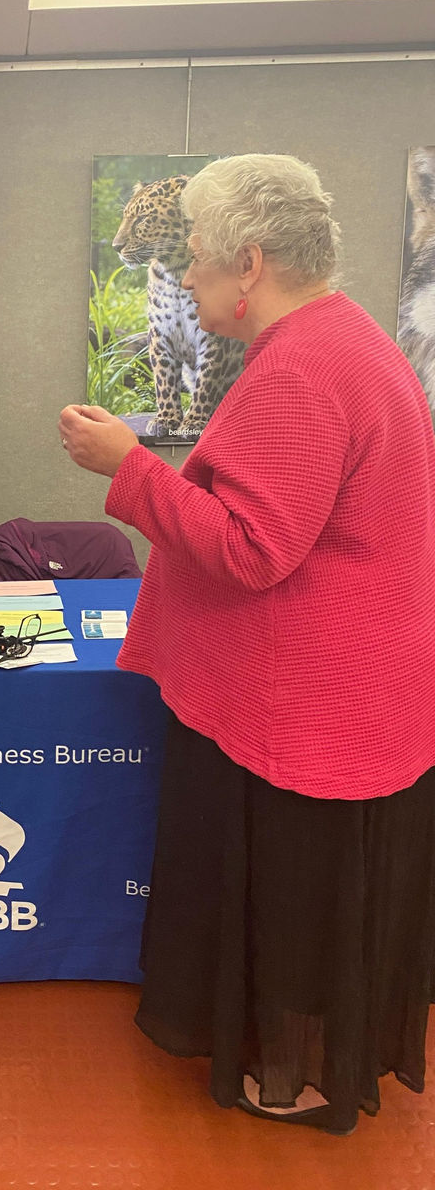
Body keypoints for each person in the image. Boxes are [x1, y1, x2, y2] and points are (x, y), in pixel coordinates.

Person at [59, 153, 435, 1136]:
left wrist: (131, 467)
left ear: (251, 263)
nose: (185, 277)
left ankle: (294, 1075)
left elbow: (253, 545)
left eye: (195, 258)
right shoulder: (348, 336)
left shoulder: (304, 365)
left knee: (294, 907)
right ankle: (297, 1060)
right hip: (350, 691)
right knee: (309, 906)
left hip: (308, 702)